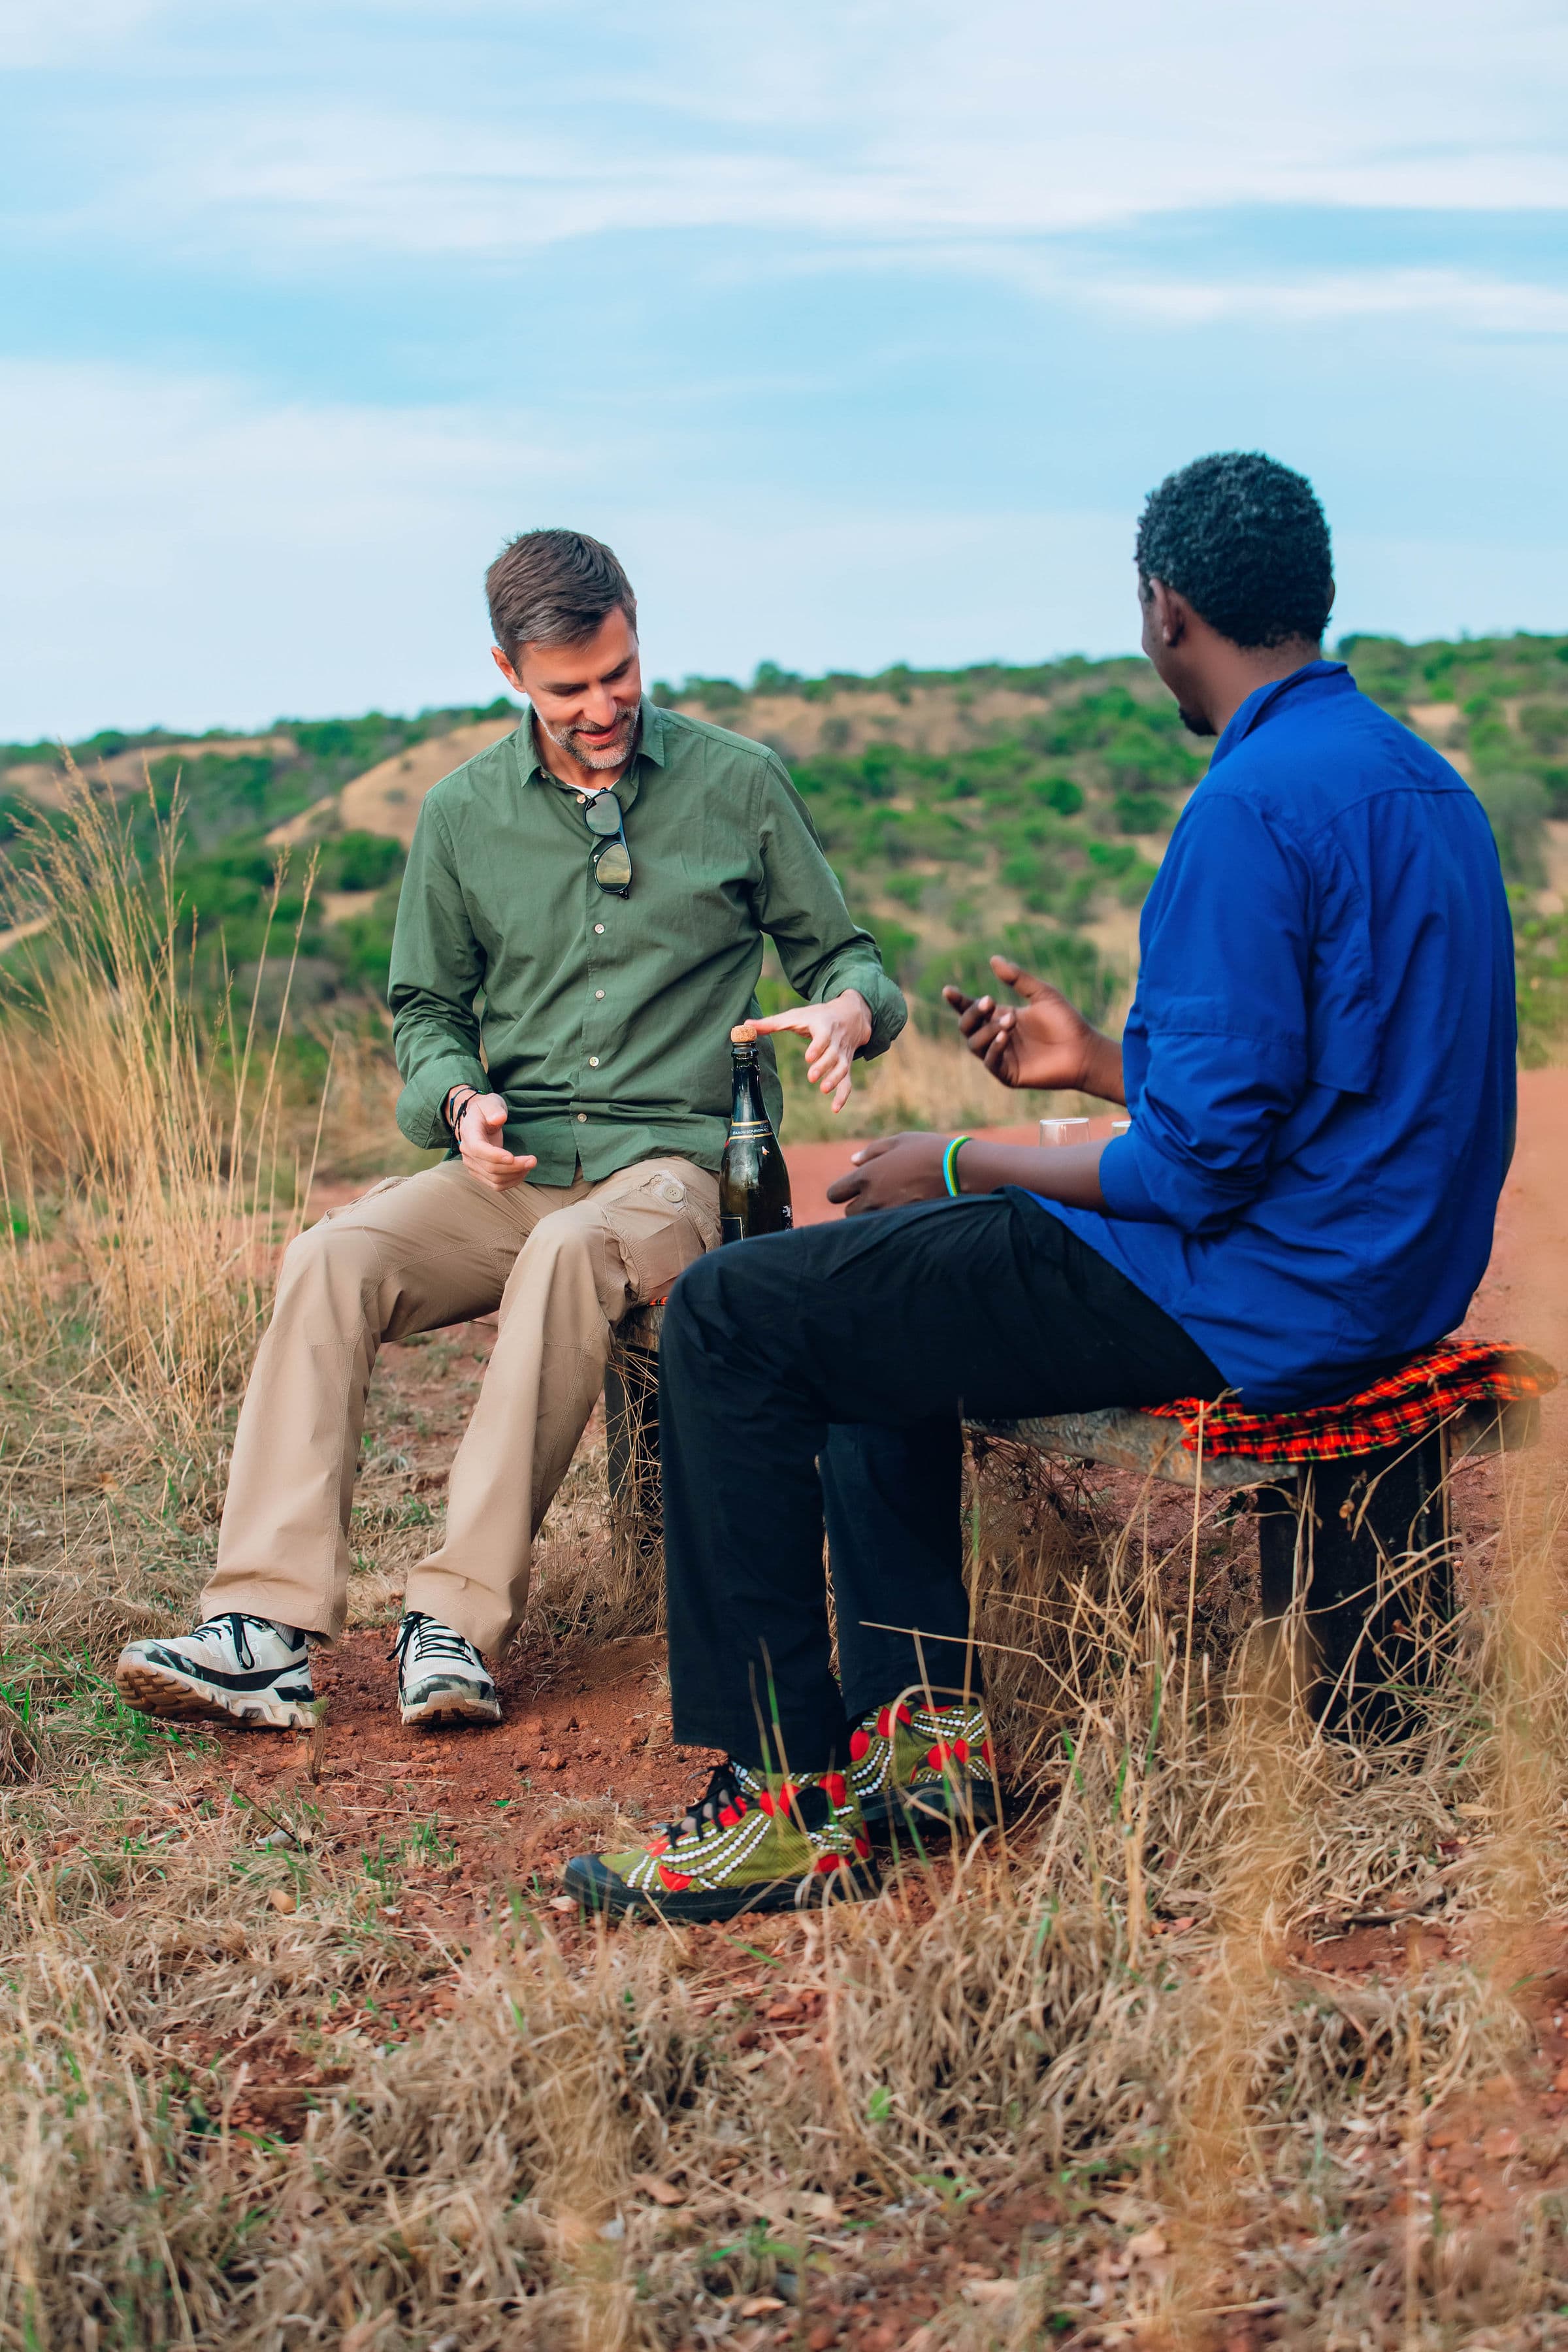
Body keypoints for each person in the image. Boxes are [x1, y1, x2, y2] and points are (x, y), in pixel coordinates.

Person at [566, 450, 1516, 1922]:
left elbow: (1196, 1169)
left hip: (1249, 1294)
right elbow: (1331, 1084)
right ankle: (922, 1741)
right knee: (884, 1291)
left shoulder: (1248, 809)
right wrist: (1100, 1068)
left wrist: (957, 1156)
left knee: (740, 1313)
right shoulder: (1428, 788)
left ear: (1166, 610)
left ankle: (776, 1801)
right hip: (1383, 1275)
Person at [116, 529, 905, 1732]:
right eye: (568, 688)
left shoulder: (739, 782)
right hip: (516, 1161)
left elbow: (847, 957)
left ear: (637, 632)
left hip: (675, 1169)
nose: (603, 707)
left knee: (566, 1255)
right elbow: (426, 1011)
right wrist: (458, 1102)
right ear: (508, 671)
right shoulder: (460, 813)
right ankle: (262, 1628)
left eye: (619, 673)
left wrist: (849, 1010)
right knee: (330, 1256)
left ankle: (455, 1622)